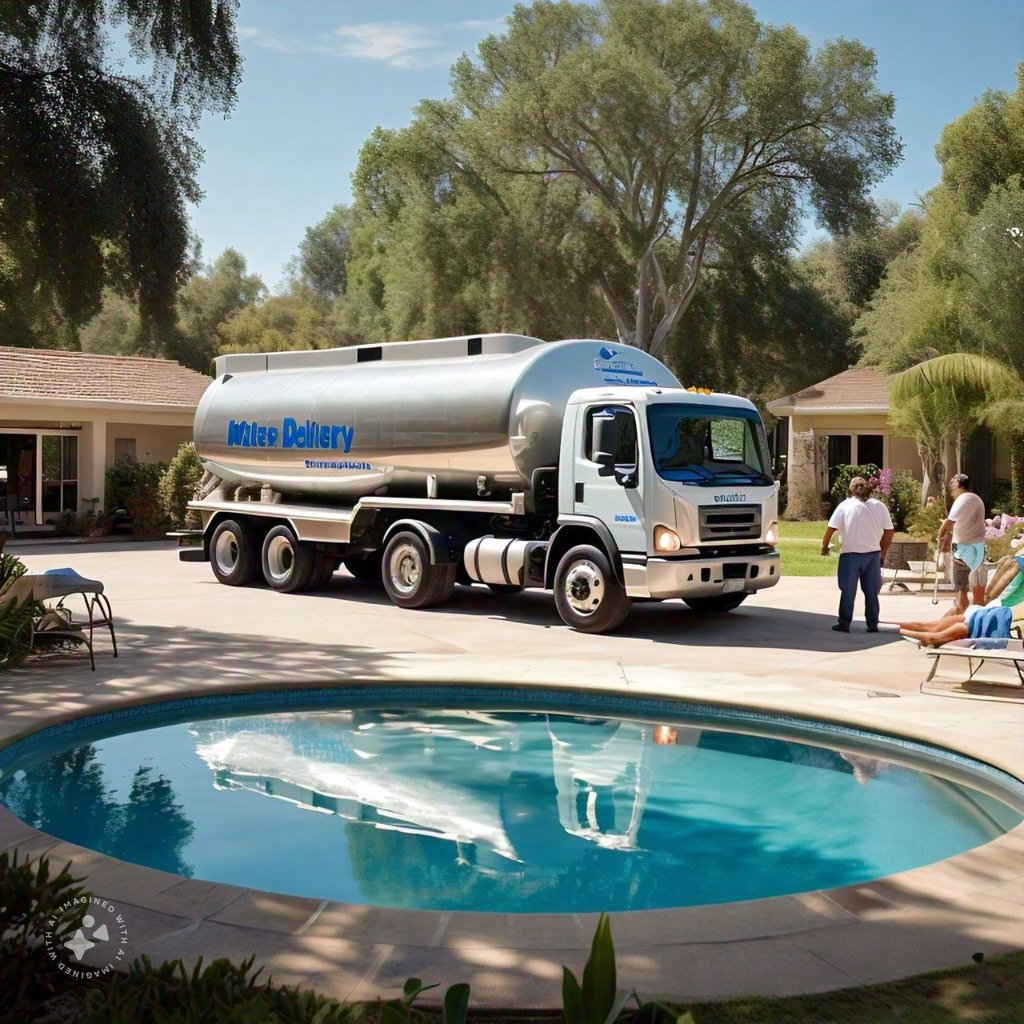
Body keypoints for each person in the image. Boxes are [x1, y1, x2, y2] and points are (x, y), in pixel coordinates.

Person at [897, 554, 1022, 647]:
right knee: (937, 624)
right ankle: (886, 625)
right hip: (996, 612)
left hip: (1001, 618)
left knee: (961, 626)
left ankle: (929, 638)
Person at [821, 477, 895, 633]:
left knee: (847, 590)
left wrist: (825, 547)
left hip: (850, 554)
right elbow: (889, 532)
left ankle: (844, 622)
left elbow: (830, 529)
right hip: (873, 555)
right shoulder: (879, 506)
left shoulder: (844, 506)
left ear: (850, 490)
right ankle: (872, 624)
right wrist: (883, 551)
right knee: (871, 592)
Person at [938, 474, 987, 613]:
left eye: (952, 485)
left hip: (963, 548)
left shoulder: (962, 499)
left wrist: (940, 539)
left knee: (962, 588)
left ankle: (961, 612)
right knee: (978, 586)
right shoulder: (977, 499)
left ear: (959, 485)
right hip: (978, 547)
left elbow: (949, 523)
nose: (951, 490)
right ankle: (978, 614)